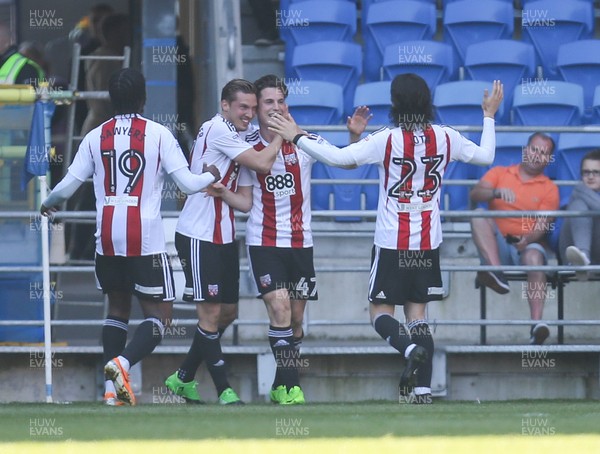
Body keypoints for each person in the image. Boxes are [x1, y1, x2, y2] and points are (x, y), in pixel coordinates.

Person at [268, 73, 504, 403]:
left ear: (395, 104)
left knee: (380, 314)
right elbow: (486, 156)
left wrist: (297, 137)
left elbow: (339, 159)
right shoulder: (447, 137)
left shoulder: (387, 139)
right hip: (427, 240)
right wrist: (489, 115)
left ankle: (407, 349)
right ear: (427, 100)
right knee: (418, 316)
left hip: (393, 240)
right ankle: (422, 391)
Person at [40, 68, 221, 406]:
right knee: (161, 317)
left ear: (111, 99)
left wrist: (48, 203)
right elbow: (187, 184)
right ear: (144, 97)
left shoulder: (96, 135)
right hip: (145, 237)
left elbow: (68, 185)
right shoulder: (158, 134)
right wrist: (210, 173)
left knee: (118, 307)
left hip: (106, 236)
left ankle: (113, 393)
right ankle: (120, 364)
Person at [204, 74, 371, 404]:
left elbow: (345, 163)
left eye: (281, 101)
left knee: (295, 322)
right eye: (268, 102)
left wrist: (353, 137)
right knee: (279, 308)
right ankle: (292, 388)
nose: (276, 107)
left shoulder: (304, 141)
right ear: (257, 108)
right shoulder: (246, 144)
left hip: (301, 243)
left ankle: (282, 383)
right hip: (264, 241)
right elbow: (238, 186)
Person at [163, 79, 285, 405]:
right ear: (225, 106)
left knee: (228, 313)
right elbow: (263, 163)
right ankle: (225, 391)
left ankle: (183, 377)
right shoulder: (218, 130)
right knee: (210, 314)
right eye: (242, 107)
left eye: (252, 107)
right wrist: (285, 136)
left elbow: (244, 203)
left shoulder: (242, 140)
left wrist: (223, 192)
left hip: (225, 237)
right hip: (198, 235)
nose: (248, 113)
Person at [470, 132, 559, 345]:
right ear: (525, 150)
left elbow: (543, 224)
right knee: (478, 215)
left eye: (544, 153)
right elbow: (475, 194)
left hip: (526, 247)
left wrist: (526, 239)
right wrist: (496, 193)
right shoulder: (500, 173)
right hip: (497, 246)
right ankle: (496, 272)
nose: (537, 156)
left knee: (535, 257)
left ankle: (536, 325)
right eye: (535, 149)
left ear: (548, 159)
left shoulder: (550, 188)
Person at [559, 149, 600, 279]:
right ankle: (582, 258)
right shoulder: (577, 191)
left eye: (596, 172)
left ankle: (584, 261)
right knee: (579, 205)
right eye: (586, 172)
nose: (590, 176)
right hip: (573, 258)